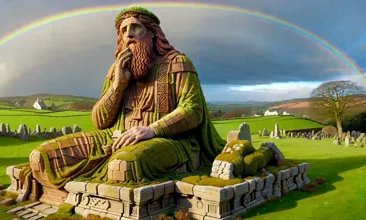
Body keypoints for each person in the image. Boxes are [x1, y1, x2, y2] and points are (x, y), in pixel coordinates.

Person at [24, 6, 225, 192]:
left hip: (169, 141)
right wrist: (118, 85)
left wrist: (152, 129)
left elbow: (193, 110)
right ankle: (58, 196)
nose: (128, 33)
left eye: (135, 27)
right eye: (123, 30)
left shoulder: (177, 63)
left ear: (152, 32)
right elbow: (100, 121)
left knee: (122, 166)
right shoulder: (117, 70)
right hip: (116, 136)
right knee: (41, 156)